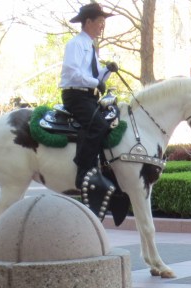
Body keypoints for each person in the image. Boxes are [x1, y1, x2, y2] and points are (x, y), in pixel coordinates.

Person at [60, 3, 120, 208]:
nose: (103, 26)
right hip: (75, 96)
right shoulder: (75, 44)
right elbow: (74, 74)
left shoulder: (91, 47)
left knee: (111, 121)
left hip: (89, 96)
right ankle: (83, 173)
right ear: (88, 22)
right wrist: (97, 82)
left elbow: (92, 76)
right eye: (100, 22)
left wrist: (107, 71)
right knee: (98, 126)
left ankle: (102, 168)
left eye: (104, 22)